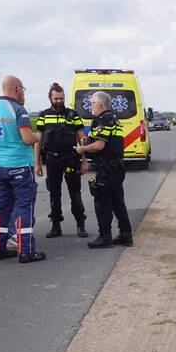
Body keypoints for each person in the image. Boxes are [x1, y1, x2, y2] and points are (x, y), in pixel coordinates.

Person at [0, 75, 45, 263]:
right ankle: (26, 251)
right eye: (23, 89)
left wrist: (4, 141)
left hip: (0, 166)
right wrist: (37, 137)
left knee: (1, 209)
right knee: (25, 207)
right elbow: (27, 138)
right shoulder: (19, 110)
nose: (23, 92)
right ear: (17, 88)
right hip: (19, 166)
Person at [75, 91, 133, 248]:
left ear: (99, 104)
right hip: (115, 166)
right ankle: (126, 235)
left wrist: (82, 149)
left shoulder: (103, 119)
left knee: (102, 202)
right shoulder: (111, 119)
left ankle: (105, 237)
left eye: (92, 103)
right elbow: (98, 140)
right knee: (117, 201)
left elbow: (100, 145)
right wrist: (88, 141)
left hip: (108, 168)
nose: (90, 106)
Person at [35, 82, 88, 238]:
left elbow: (82, 140)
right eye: (56, 98)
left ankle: (80, 224)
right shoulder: (43, 115)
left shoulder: (73, 115)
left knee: (75, 193)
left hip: (71, 159)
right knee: (54, 194)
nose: (59, 101)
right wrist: (37, 163)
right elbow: (38, 141)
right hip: (52, 159)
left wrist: (84, 161)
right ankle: (56, 226)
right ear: (50, 98)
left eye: (61, 98)